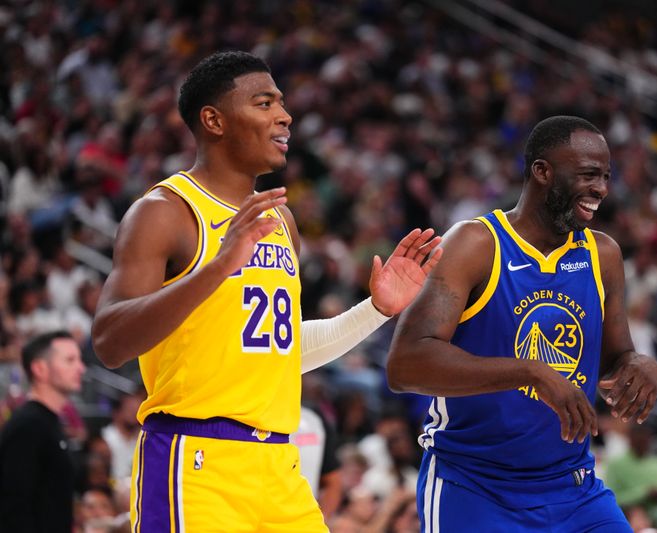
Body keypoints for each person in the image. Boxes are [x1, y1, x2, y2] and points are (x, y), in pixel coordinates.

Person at [91, 50, 441, 532]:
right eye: (264, 103)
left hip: (280, 464)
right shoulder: (164, 211)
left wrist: (376, 310)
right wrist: (218, 267)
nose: (285, 115)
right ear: (213, 120)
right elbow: (110, 342)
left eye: (282, 103)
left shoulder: (281, 221)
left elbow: (282, 352)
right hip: (195, 460)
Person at [387, 115, 657, 532]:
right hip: (475, 486)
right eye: (589, 174)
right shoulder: (476, 244)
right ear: (542, 172)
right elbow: (405, 365)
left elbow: (612, 362)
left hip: (574, 489)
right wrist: (529, 371)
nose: (602, 189)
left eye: (606, 176)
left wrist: (639, 365)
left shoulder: (602, 254)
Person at [0, 330, 86, 532]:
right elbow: (12, 506)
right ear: (40, 369)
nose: (81, 368)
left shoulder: (49, 422)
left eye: (79, 359)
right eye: (70, 360)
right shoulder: (27, 426)